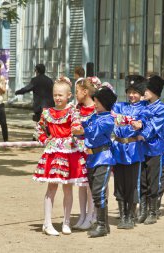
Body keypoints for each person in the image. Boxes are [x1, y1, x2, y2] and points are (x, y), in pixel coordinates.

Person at [33, 76, 88, 236]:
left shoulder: (73, 112)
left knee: (68, 189)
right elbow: (39, 129)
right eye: (55, 94)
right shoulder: (47, 113)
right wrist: (45, 139)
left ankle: (66, 222)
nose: (57, 98)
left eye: (60, 95)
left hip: (69, 153)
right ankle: (47, 222)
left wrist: (77, 131)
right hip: (53, 154)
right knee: (51, 188)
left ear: (68, 96)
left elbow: (77, 128)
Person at [72, 87, 117, 238]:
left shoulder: (108, 119)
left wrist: (81, 130)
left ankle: (102, 225)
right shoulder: (94, 116)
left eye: (97, 102)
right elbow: (84, 126)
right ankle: (103, 224)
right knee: (96, 192)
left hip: (103, 157)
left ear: (105, 103)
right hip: (91, 158)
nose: (95, 104)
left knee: (98, 192)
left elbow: (92, 131)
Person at [112, 75, 147, 229]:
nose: (132, 95)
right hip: (118, 149)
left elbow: (145, 123)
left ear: (141, 94)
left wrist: (141, 126)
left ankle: (131, 216)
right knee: (119, 183)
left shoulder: (144, 108)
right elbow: (112, 116)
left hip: (134, 150)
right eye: (130, 91)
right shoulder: (119, 106)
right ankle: (122, 215)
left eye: (135, 92)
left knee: (132, 184)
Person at [136, 75, 164, 225]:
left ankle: (153, 211)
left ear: (155, 91)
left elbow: (155, 126)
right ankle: (142, 210)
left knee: (153, 180)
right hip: (142, 149)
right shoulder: (143, 105)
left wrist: (142, 133)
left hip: (154, 148)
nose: (144, 92)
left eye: (147, 89)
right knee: (142, 180)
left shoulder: (161, 108)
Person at [72, 78, 98, 231]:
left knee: (90, 186)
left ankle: (92, 215)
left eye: (77, 91)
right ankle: (82, 215)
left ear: (85, 92)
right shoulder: (76, 108)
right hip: (79, 151)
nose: (75, 95)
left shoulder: (96, 109)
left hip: (92, 151)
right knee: (81, 185)